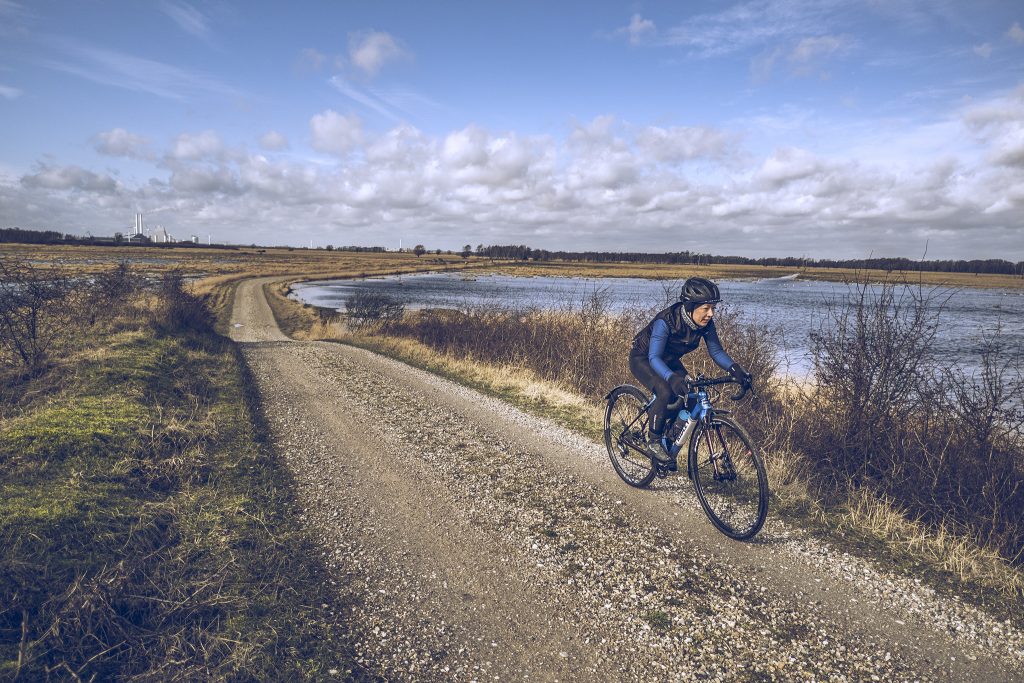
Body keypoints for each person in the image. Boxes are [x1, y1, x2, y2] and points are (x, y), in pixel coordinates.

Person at [629, 277, 752, 469]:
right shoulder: (667, 321)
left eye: (713, 308)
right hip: (644, 359)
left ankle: (668, 442)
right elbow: (654, 357)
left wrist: (736, 370)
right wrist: (671, 378)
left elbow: (716, 351)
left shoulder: (706, 324)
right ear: (690, 306)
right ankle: (654, 441)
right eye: (705, 308)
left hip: (668, 360)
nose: (710, 314)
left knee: (691, 398)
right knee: (664, 390)